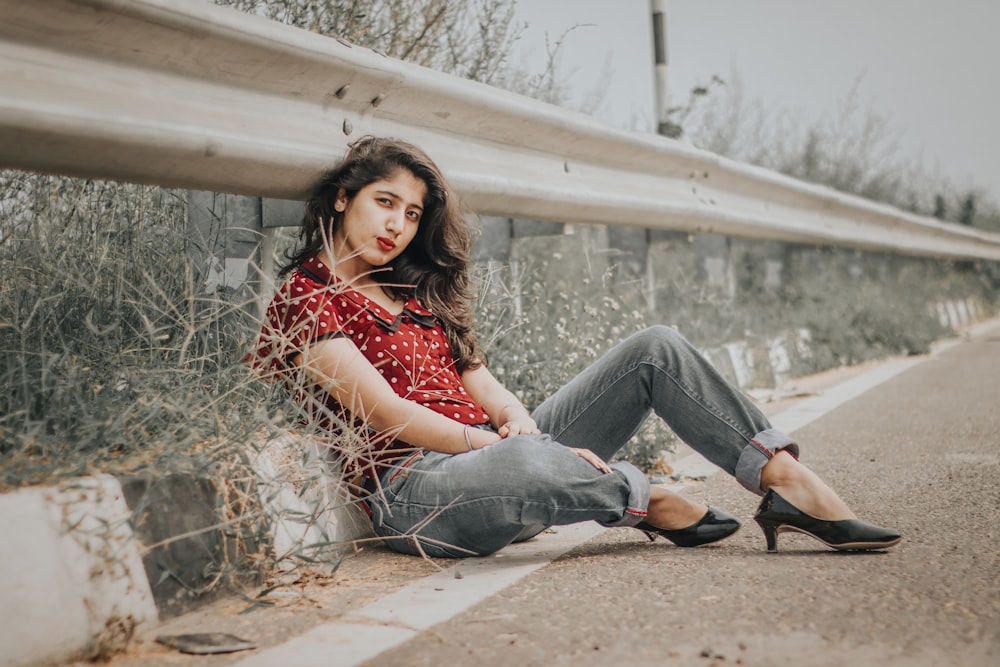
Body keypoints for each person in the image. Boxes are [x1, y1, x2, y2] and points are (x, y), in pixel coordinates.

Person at [251, 136, 901, 558]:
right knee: (527, 467)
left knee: (656, 346)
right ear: (343, 199)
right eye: (384, 202)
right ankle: (638, 495)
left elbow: (481, 381)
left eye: (413, 213)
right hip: (416, 489)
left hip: (498, 449)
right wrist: (511, 448)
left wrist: (518, 423)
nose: (397, 223)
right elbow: (389, 413)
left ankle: (784, 477)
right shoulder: (306, 298)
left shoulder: (411, 291)